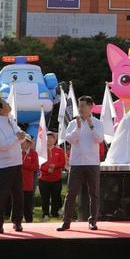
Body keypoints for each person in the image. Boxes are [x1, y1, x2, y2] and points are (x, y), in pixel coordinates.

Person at [58, 95, 105, 231]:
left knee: (94, 193)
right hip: (77, 163)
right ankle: (66, 221)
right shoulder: (73, 123)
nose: (80, 109)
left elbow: (99, 139)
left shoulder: (98, 123)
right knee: (71, 193)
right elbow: (70, 140)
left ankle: (93, 221)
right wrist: (78, 128)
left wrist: (90, 125)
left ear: (91, 106)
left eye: (83, 106)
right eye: (79, 106)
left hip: (92, 163)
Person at [0, 96, 31, 233]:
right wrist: (16, 137)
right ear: (0, 110)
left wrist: (21, 136)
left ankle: (17, 221)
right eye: (5, 103)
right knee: (2, 195)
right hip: (4, 165)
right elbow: (2, 146)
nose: (8, 104)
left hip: (17, 162)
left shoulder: (10, 119)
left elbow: (19, 135)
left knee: (18, 194)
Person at [39, 139, 67, 219]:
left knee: (56, 197)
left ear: (54, 140)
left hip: (56, 179)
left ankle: (55, 213)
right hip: (44, 179)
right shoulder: (42, 151)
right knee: (45, 197)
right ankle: (45, 214)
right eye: (47, 138)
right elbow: (39, 163)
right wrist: (47, 169)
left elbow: (62, 163)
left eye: (51, 138)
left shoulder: (60, 150)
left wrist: (55, 166)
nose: (49, 140)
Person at [20, 130, 39, 222]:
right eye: (21, 141)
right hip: (18, 182)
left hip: (28, 183)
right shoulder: (18, 152)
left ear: (28, 143)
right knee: (18, 203)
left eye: (23, 141)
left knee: (28, 203)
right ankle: (17, 220)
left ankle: (29, 221)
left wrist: (24, 164)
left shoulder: (33, 153)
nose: (21, 143)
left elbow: (35, 167)